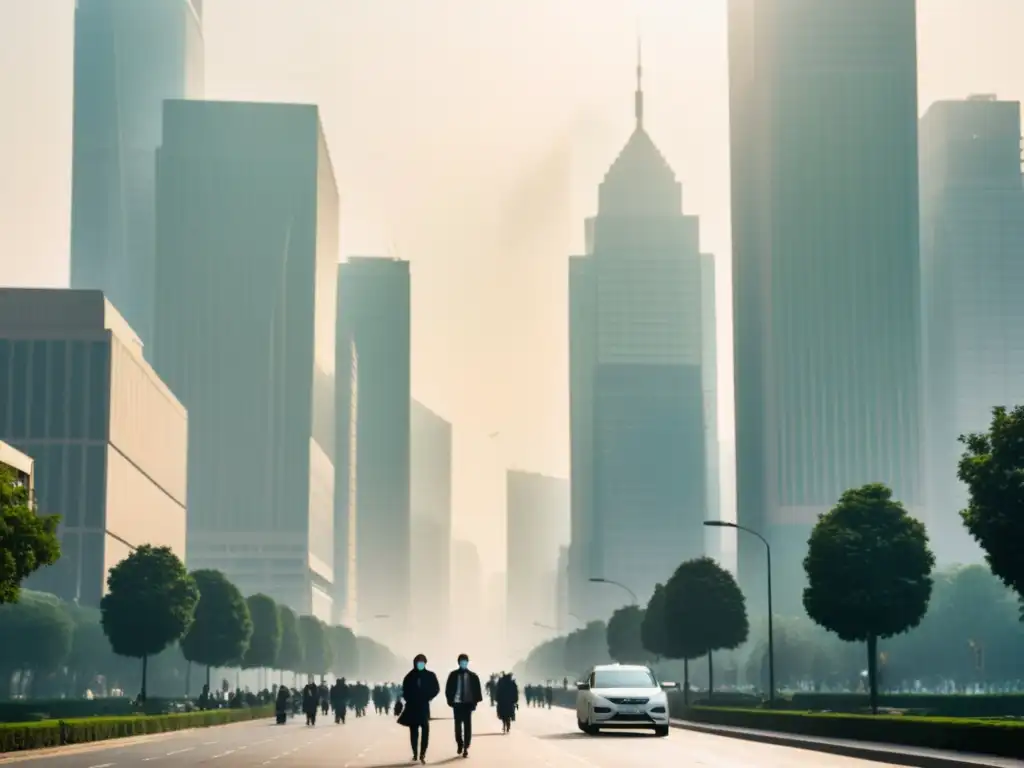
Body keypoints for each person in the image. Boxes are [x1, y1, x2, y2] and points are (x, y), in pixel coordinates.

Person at [399, 653, 440, 764]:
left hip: (423, 705)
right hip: (413, 706)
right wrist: (410, 698)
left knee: (425, 729)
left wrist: (428, 697)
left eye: (422, 663)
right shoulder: (409, 676)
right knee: (414, 731)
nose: (420, 665)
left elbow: (436, 689)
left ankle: (422, 753)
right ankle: (415, 752)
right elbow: (405, 691)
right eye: (419, 663)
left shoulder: (430, 676)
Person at [445, 653, 483, 758]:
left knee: (467, 726)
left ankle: (466, 747)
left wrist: (475, 702)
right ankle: (459, 743)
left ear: (467, 662)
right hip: (457, 704)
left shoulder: (473, 676)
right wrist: (450, 701)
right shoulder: (453, 675)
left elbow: (477, 690)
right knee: (457, 726)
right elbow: (448, 689)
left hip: (468, 704)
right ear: (458, 663)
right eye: (462, 661)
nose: (463, 663)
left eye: (465, 661)